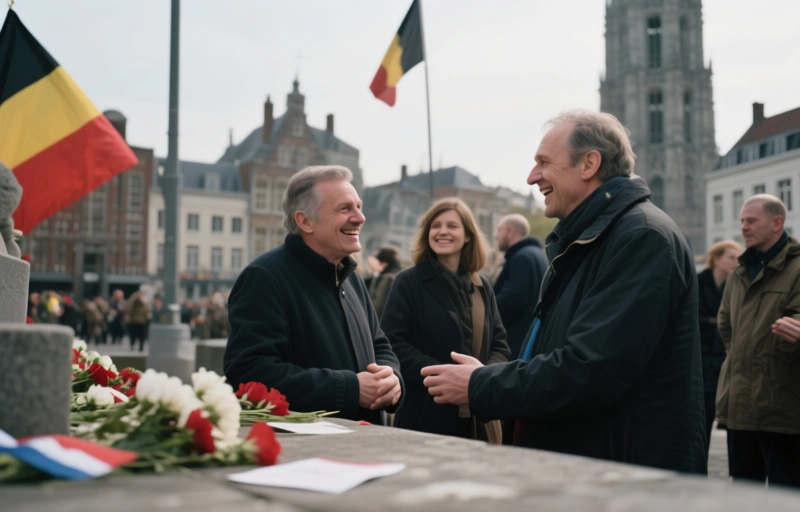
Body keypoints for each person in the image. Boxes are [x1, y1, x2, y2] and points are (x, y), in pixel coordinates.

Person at [420, 110, 706, 474]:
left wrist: (482, 384)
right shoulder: (592, 238)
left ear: (589, 164)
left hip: (623, 476)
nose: (531, 177)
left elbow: (590, 369)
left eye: (543, 163)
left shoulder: (641, 237)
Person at [224, 165, 403, 424]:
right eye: (344, 209)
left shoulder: (349, 274)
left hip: (366, 443)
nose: (360, 217)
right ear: (305, 221)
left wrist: (391, 378)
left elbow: (379, 344)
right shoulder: (264, 277)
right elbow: (248, 373)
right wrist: (350, 388)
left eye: (358, 206)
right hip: (310, 451)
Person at [381, 199, 510, 441]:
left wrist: (482, 377)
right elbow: (392, 343)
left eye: (452, 226)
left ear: (468, 236)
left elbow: (500, 345)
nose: (442, 231)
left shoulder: (482, 286)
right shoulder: (408, 281)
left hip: (480, 415)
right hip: (425, 414)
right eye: (435, 225)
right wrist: (444, 377)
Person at [716, 194, 800, 488]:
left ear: (777, 222)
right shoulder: (739, 272)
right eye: (741, 221)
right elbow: (726, 326)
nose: (743, 227)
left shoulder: (797, 268)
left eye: (751, 220)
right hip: (740, 407)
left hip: (783, 408)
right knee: (742, 494)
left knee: (785, 496)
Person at [697, 240, 741, 458]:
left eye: (738, 258)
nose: (736, 262)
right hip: (701, 358)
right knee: (701, 420)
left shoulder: (735, 286)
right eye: (731, 257)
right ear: (716, 259)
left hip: (723, 358)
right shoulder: (697, 282)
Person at [493, 214, 548, 357]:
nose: (496, 236)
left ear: (510, 232)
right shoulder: (537, 254)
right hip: (529, 338)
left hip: (516, 341)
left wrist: (487, 308)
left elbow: (513, 298)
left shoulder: (521, 257)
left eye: (499, 230)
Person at [368, 246, 402, 318]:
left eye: (375, 260)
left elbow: (378, 305)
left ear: (384, 263)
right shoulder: (398, 276)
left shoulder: (387, 279)